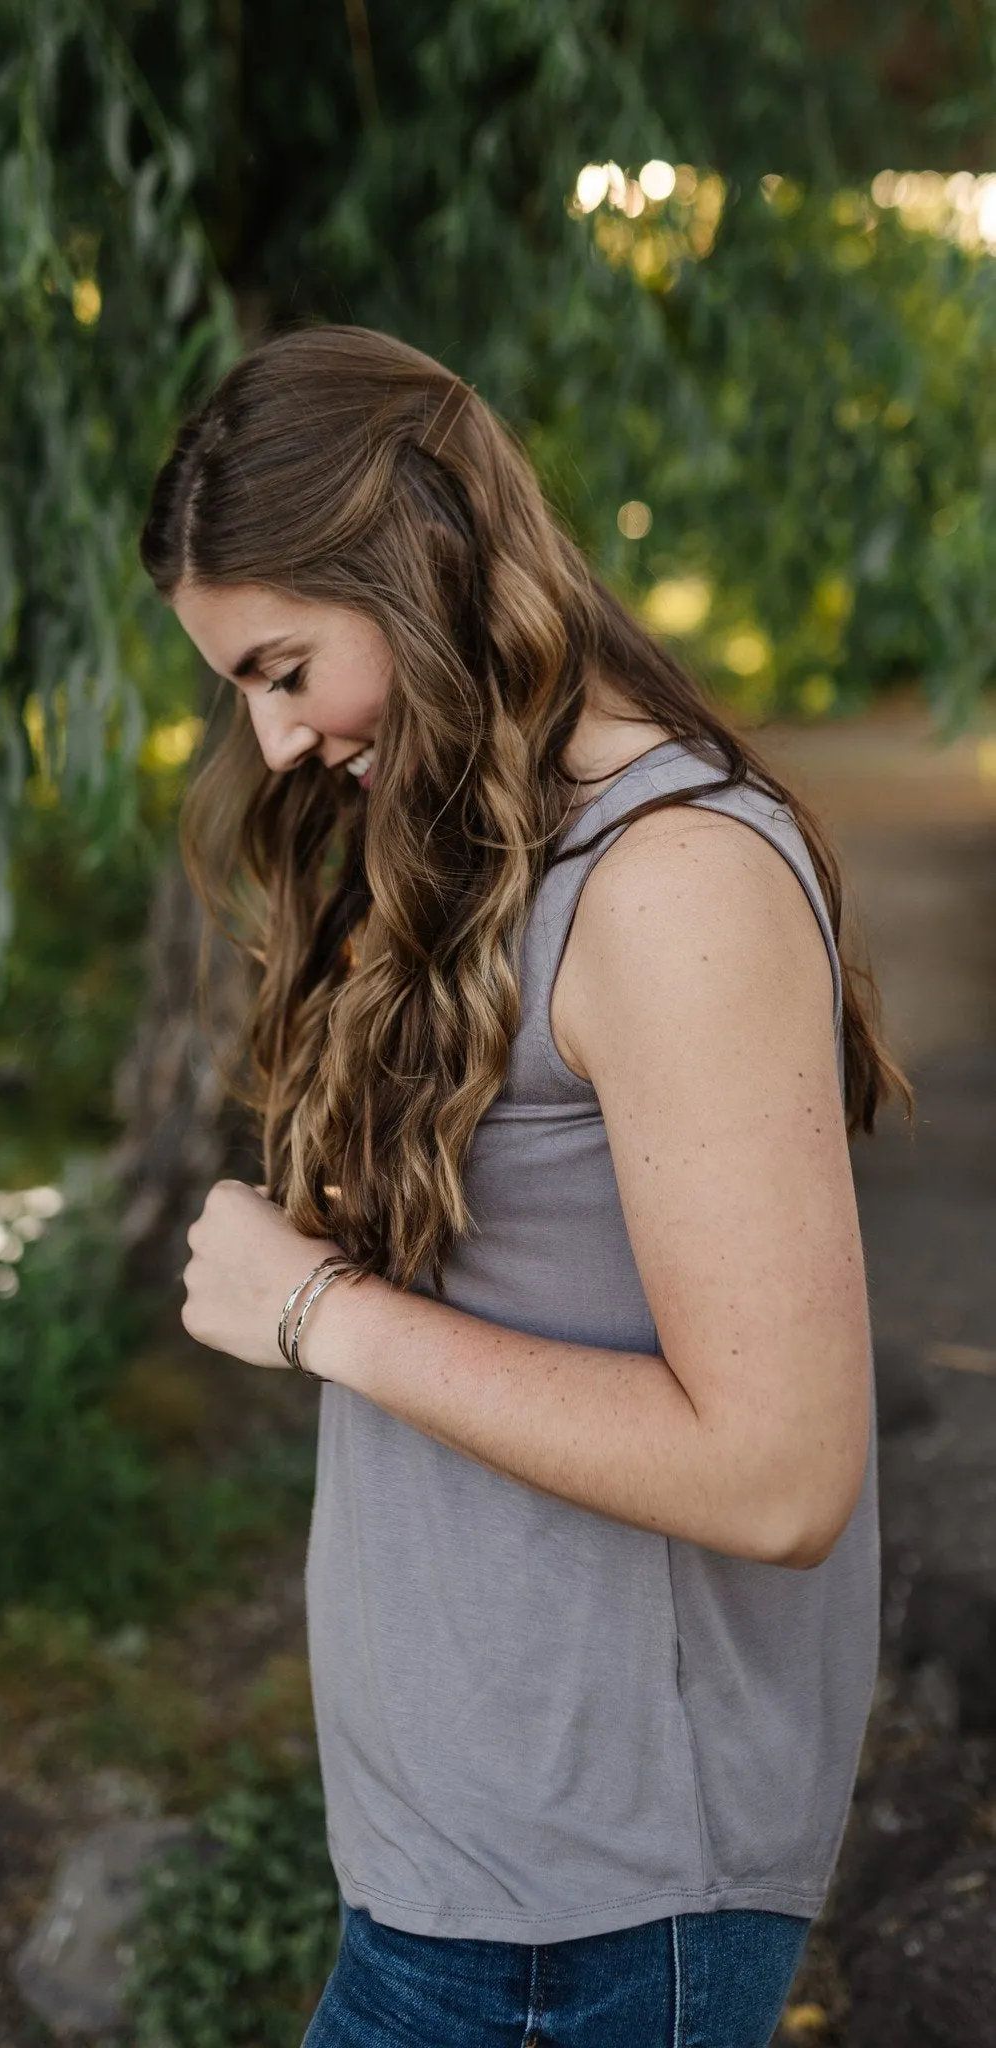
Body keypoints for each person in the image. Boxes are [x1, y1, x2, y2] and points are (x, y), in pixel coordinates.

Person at [139, 325, 902, 2047]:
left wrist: (315, 1312)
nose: (267, 742)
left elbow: (781, 1474)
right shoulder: (494, 855)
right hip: (474, 1883)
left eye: (282, 665)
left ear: (417, 563)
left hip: (591, 1917)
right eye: (235, 691)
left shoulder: (673, 881)